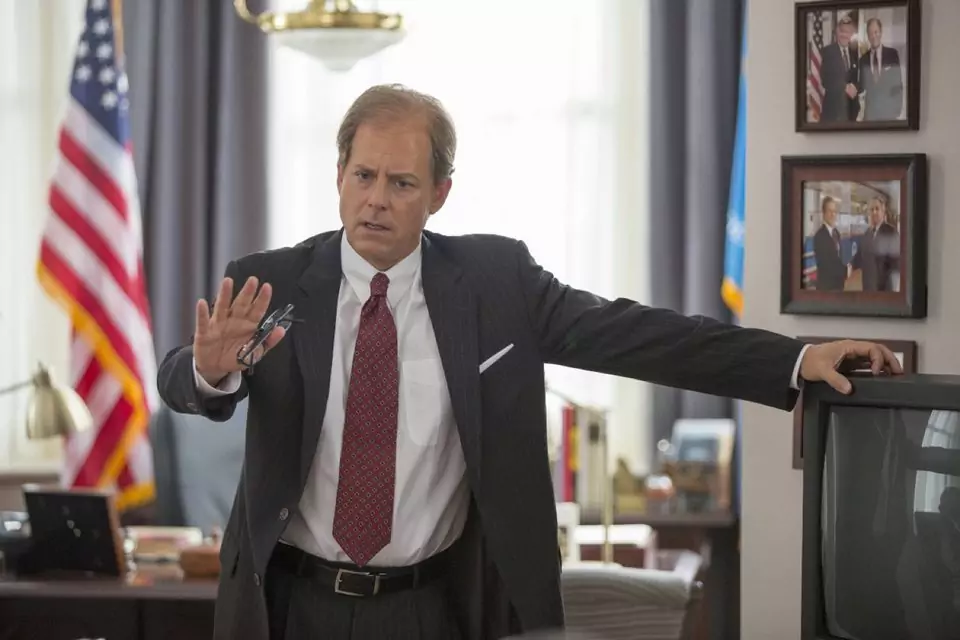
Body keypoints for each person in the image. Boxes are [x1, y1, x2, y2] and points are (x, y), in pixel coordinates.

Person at [156, 84, 902, 640]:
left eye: (402, 182)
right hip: (289, 604)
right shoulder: (272, 282)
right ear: (340, 175)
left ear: (439, 194)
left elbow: (638, 334)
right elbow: (183, 380)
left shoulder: (497, 284)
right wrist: (210, 371)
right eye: (363, 176)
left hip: (433, 606)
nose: (376, 200)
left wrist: (796, 358)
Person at [856, 18, 904, 121]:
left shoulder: (892, 54)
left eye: (876, 32)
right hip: (870, 116)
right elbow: (861, 87)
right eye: (870, 33)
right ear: (867, 36)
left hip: (889, 114)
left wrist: (897, 110)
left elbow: (897, 84)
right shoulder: (863, 60)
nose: (873, 36)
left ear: (881, 32)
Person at [849, 196, 899, 291]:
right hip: (868, 289)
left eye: (877, 209)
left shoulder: (891, 232)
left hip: (884, 291)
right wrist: (849, 266)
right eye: (871, 210)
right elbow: (859, 257)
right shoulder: (867, 234)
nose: (874, 212)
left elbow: (896, 265)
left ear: (883, 211)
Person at [819, 14, 861, 123]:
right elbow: (825, 80)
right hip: (833, 112)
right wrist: (844, 87)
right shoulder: (828, 51)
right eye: (842, 31)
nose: (844, 35)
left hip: (850, 112)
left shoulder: (854, 53)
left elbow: (857, 78)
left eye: (847, 32)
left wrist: (855, 87)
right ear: (837, 32)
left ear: (851, 34)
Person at [812, 196, 848, 291]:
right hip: (826, 287)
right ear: (823, 213)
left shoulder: (837, 233)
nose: (833, 214)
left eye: (834, 211)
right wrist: (846, 271)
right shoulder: (819, 236)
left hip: (839, 285)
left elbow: (839, 258)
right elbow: (827, 265)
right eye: (830, 211)